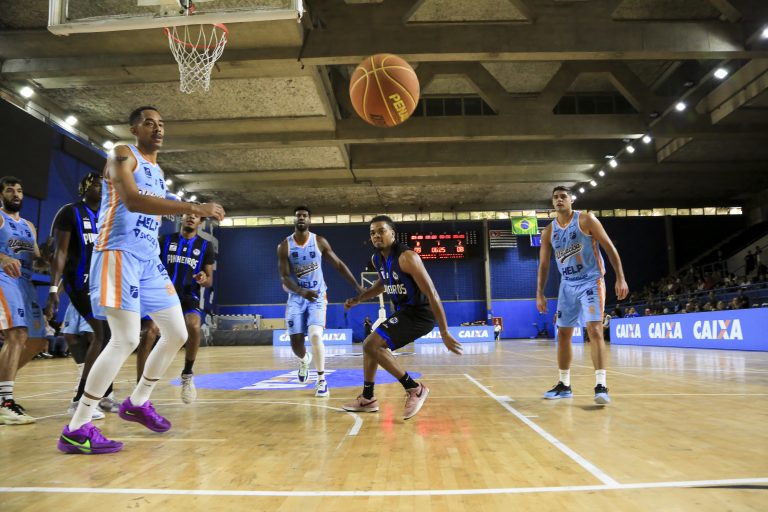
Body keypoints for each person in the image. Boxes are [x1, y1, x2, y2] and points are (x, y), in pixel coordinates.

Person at [57, 106, 225, 455]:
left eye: (162, 124)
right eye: (150, 123)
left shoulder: (158, 172)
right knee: (125, 338)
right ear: (134, 129)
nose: (158, 128)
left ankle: (137, 402)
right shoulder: (122, 154)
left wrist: (184, 207)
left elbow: (155, 207)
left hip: (148, 260)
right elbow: (133, 201)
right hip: (118, 253)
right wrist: (194, 208)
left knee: (177, 333)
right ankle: (77, 427)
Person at [342, 215, 463, 420]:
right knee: (370, 345)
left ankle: (415, 389)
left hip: (420, 314)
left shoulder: (407, 257)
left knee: (371, 344)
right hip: (404, 312)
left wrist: (444, 331)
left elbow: (432, 293)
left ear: (393, 233)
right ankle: (367, 398)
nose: (376, 236)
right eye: (372, 233)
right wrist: (359, 299)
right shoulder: (377, 259)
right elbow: (382, 283)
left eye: (381, 231)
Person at [536, 186, 628, 405]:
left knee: (594, 330)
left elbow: (609, 248)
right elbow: (544, 264)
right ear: (552, 203)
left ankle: (601, 385)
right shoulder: (548, 231)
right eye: (556, 197)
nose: (559, 200)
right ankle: (564, 384)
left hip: (591, 281)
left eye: (563, 197)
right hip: (567, 285)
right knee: (563, 333)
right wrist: (539, 292)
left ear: (571, 200)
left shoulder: (586, 220)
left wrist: (620, 278)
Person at [46, 172, 120, 415]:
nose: (101, 188)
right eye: (96, 185)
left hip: (104, 284)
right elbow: (60, 253)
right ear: (84, 188)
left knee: (111, 338)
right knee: (101, 335)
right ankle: (80, 399)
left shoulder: (109, 216)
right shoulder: (70, 212)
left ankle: (105, 394)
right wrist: (54, 289)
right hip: (79, 283)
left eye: (104, 185)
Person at [277, 206, 362, 398]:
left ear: (309, 220)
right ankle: (304, 359)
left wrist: (357, 286)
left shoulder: (319, 241)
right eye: (298, 216)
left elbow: (339, 264)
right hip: (297, 297)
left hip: (317, 295)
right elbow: (284, 277)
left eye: (304, 215)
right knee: (296, 344)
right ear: (294, 220)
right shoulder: (284, 246)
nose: (301, 218)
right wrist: (300, 291)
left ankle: (322, 380)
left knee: (315, 335)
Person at [138, 212, 215, 403]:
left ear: (201, 222)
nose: (191, 217)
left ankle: (187, 374)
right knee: (148, 332)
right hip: (162, 294)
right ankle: (140, 389)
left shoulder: (205, 246)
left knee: (194, 326)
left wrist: (203, 278)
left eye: (196, 216)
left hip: (188, 295)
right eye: (189, 214)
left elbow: (208, 281)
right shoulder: (164, 240)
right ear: (182, 217)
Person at [0, 176, 50, 424]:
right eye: (10, 190)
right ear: (1, 195)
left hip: (25, 284)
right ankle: (4, 402)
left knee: (38, 341)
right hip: (4, 278)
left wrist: (48, 258)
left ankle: (2, 389)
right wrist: (3, 258)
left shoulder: (29, 226)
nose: (16, 194)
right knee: (17, 334)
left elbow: (37, 259)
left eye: (19, 190)